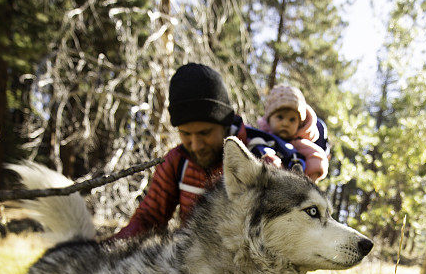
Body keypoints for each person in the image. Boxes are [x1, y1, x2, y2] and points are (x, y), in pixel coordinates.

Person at [112, 63, 307, 240]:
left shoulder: (257, 156)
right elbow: (148, 219)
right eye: (186, 134)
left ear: (225, 123)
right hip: (191, 264)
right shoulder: (177, 161)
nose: (195, 145)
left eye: (205, 133)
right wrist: (105, 254)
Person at [256, 84, 329, 183]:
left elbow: (316, 157)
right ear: (269, 119)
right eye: (280, 117)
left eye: (292, 120)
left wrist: (309, 179)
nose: (285, 123)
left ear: (299, 124)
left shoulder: (298, 144)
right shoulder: (260, 136)